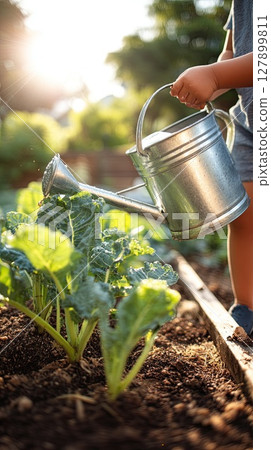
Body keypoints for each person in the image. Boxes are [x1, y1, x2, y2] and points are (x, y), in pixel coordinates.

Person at [170, 0, 253, 335]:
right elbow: (231, 51)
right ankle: (249, 309)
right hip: (250, 120)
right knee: (245, 216)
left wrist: (216, 75)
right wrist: (215, 81)